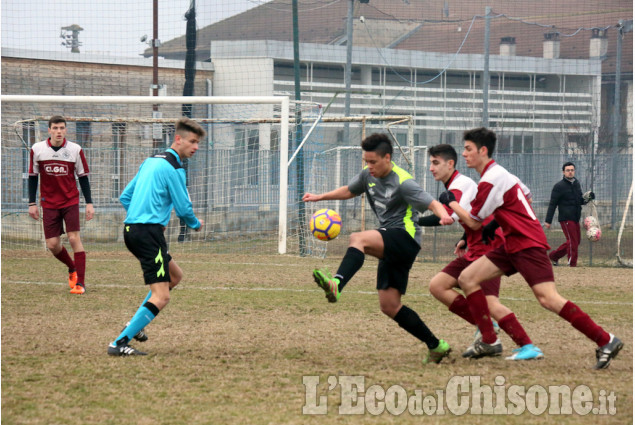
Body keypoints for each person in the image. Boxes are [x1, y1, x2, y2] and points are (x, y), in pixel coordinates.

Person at [440, 127, 622, 369]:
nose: (464, 154)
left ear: (483, 151)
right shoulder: (499, 174)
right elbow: (525, 194)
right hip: (512, 242)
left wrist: (450, 201)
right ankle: (489, 340)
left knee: (548, 298)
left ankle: (605, 339)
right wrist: (500, 220)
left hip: (526, 243)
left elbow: (473, 221)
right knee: (468, 278)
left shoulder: (490, 180)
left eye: (468, 149)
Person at [303, 133, 455, 365]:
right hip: (390, 238)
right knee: (389, 305)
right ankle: (436, 345)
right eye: (366, 161)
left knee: (358, 239)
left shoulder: (403, 181)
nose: (368, 166)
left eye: (373, 162)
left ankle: (337, 284)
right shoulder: (368, 175)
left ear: (387, 157)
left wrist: (444, 215)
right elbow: (350, 190)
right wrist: (319, 197)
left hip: (406, 236)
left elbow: (431, 203)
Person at [421, 144, 543, 360]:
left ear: (450, 164)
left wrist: (413, 221)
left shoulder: (459, 185)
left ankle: (527, 345)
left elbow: (447, 216)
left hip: (490, 246)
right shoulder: (457, 185)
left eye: (435, 163)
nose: (431, 168)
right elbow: (472, 217)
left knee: (490, 302)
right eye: (431, 163)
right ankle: (486, 327)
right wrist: (464, 238)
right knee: (438, 286)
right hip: (475, 246)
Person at [107, 117, 205, 356]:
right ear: (178, 139)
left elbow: (125, 197)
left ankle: (134, 326)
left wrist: (141, 216)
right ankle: (119, 343)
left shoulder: (150, 161)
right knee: (162, 296)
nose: (196, 147)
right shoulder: (174, 168)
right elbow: (183, 209)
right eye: (192, 141)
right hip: (148, 233)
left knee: (175, 275)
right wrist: (196, 224)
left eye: (198, 143)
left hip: (133, 230)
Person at [28, 116, 94, 295]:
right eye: (55, 128)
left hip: (70, 201)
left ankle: (80, 283)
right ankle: (72, 267)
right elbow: (33, 177)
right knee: (52, 244)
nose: (59, 131)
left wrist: (89, 203)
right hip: (48, 203)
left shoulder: (75, 150)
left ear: (66, 130)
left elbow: (83, 178)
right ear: (49, 130)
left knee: (74, 239)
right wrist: (32, 203)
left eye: (62, 128)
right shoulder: (37, 149)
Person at [544, 162, 595, 267]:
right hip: (566, 218)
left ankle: (554, 256)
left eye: (572, 170)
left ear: (574, 171)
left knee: (576, 242)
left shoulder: (576, 183)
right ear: (563, 172)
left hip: (576, 217)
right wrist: (548, 220)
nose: (570, 172)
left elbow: (579, 200)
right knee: (572, 242)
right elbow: (552, 204)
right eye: (568, 170)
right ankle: (572, 264)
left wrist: (587, 198)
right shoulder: (559, 186)